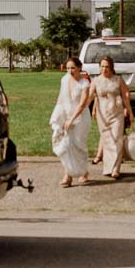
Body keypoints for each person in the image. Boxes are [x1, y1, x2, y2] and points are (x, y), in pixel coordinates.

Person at [49, 57, 93, 187]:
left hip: (80, 118)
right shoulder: (64, 79)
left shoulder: (84, 83)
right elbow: (60, 98)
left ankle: (84, 172)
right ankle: (67, 175)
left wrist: (71, 120)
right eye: (68, 68)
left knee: (79, 145)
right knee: (66, 145)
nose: (70, 71)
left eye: (73, 68)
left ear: (80, 67)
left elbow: (82, 104)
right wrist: (56, 115)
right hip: (66, 115)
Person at [90, 54, 133, 180]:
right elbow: (90, 96)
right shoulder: (96, 81)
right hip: (102, 113)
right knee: (107, 139)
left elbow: (125, 95)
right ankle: (108, 167)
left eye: (107, 66)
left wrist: (129, 111)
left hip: (117, 112)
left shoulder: (118, 80)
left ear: (111, 67)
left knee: (116, 139)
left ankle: (115, 169)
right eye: (102, 66)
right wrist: (84, 108)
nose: (104, 69)